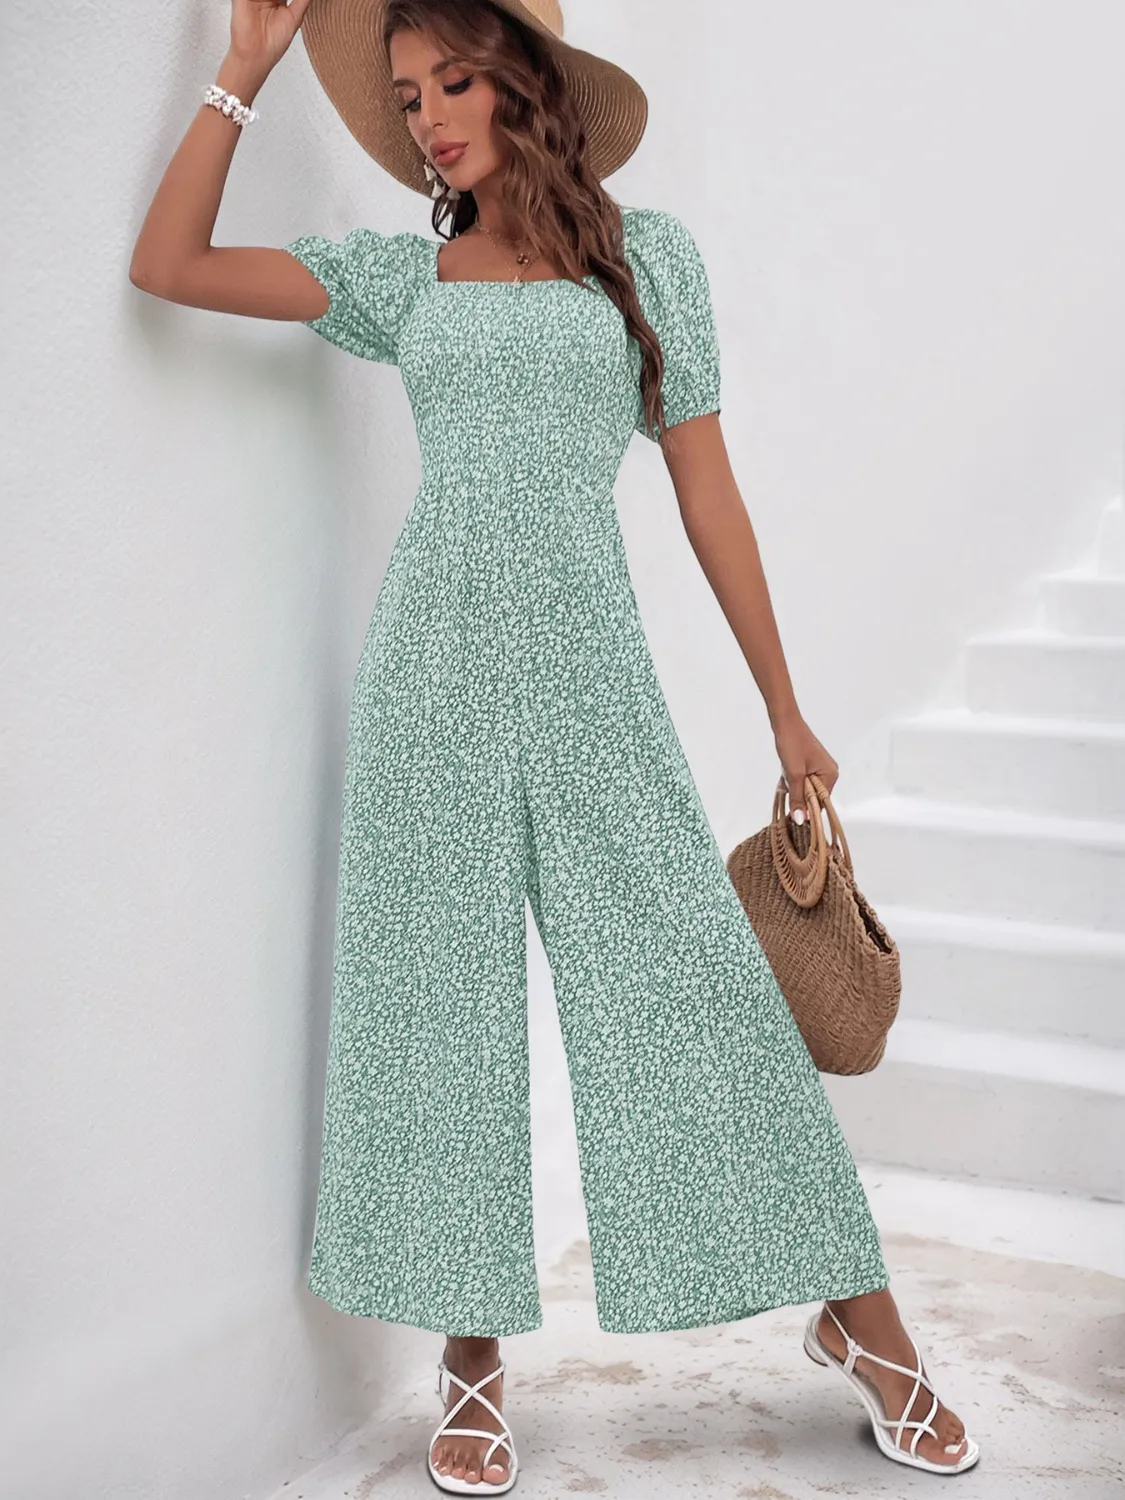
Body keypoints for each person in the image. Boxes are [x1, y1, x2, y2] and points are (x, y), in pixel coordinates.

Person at [129, 0, 981, 1491]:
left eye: (453, 80)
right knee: (439, 1017)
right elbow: (170, 264)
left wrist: (784, 706)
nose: (429, 117)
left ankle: (865, 1324)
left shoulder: (648, 264)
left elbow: (708, 491)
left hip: (594, 679)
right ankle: (468, 1357)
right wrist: (241, 77)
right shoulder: (403, 279)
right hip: (431, 684)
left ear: (526, 80)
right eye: (407, 96)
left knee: (694, 996)